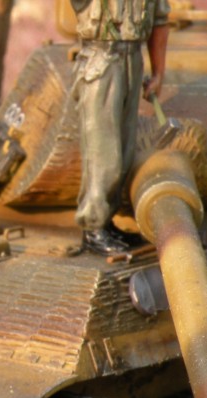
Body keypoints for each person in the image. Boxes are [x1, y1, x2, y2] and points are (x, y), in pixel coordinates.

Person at [71, 0, 171, 253]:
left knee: (124, 149)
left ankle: (105, 222)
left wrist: (158, 73)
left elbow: (160, 21)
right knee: (102, 152)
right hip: (101, 58)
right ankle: (93, 226)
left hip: (132, 59)